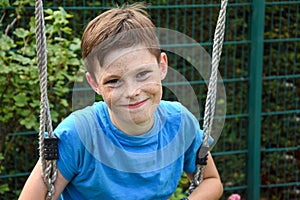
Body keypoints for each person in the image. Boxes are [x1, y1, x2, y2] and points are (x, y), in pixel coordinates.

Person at [20, 2, 223, 200]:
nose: (133, 92)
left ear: (162, 66)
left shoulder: (179, 123)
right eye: (114, 81)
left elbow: (211, 181)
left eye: (142, 73)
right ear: (94, 84)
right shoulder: (78, 134)